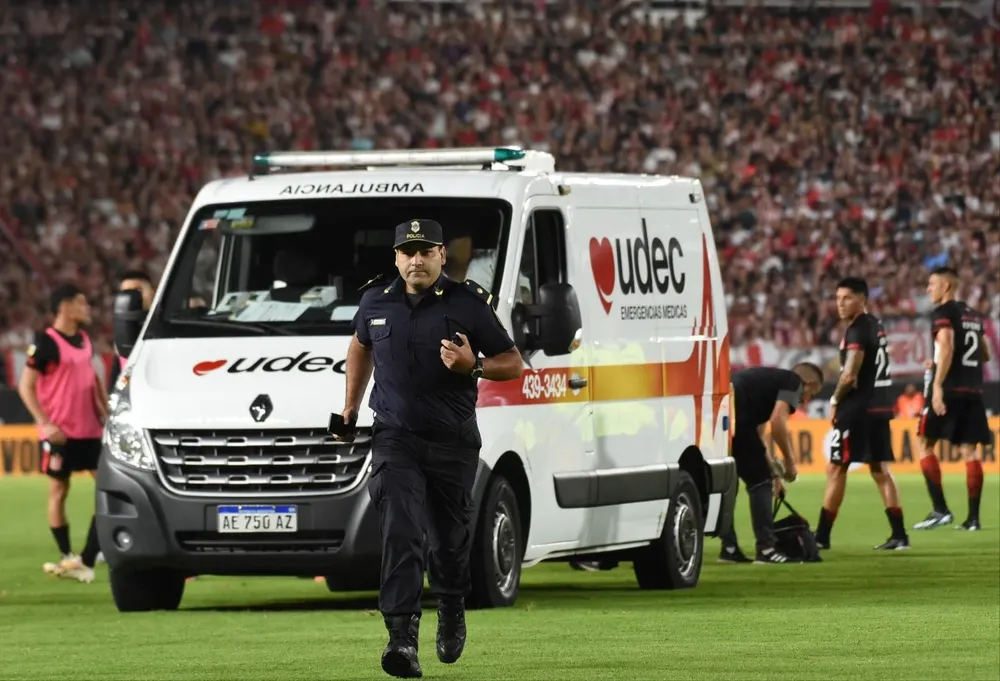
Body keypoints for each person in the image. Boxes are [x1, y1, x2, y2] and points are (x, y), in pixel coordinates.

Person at [340, 218, 523, 679]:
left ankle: (451, 605)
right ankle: (401, 639)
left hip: (451, 440)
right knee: (400, 530)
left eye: (426, 251)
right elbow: (360, 346)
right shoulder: (375, 301)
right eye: (408, 252)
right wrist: (350, 408)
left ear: (442, 255)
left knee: (448, 541)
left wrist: (473, 365)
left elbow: (512, 362)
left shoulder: (468, 303)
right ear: (396, 257)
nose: (416, 260)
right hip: (394, 436)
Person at [17, 283, 108, 583]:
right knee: (59, 491)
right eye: (82, 302)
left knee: (108, 491)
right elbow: (25, 386)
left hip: (91, 430)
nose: (87, 308)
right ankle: (67, 554)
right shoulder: (46, 343)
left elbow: (92, 379)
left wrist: (106, 411)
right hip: (61, 434)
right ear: (65, 307)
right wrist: (45, 423)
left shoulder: (84, 339)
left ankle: (89, 555)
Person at [814, 278, 910, 551]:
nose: (840, 304)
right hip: (880, 407)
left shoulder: (856, 330)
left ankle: (821, 536)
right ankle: (899, 535)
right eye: (837, 298)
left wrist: (835, 399)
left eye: (846, 298)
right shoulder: (876, 325)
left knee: (837, 467)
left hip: (858, 409)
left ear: (862, 300)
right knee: (880, 470)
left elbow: (849, 375)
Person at [718, 363, 825, 564]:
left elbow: (759, 437)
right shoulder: (793, 382)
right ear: (808, 383)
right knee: (759, 484)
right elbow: (777, 424)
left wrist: (774, 475)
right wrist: (790, 463)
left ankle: (729, 548)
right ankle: (766, 549)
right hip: (738, 421)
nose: (806, 400)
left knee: (729, 485)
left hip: (721, 420)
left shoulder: (765, 386)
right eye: (811, 393)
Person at [912, 267, 991, 532]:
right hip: (973, 390)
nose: (928, 289)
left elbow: (946, 345)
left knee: (924, 443)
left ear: (946, 286)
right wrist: (938, 362)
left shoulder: (942, 313)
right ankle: (973, 520)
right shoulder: (974, 315)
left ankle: (940, 510)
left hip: (948, 389)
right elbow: (985, 354)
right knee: (970, 451)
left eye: (931, 284)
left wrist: (937, 384)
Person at [108, 269, 156, 390]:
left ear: (152, 293)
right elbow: (122, 370)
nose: (131, 297)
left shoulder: (165, 326)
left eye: (137, 291)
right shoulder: (121, 328)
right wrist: (119, 389)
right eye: (126, 293)